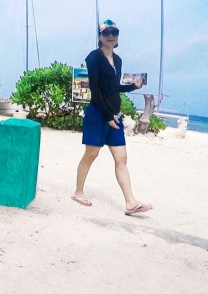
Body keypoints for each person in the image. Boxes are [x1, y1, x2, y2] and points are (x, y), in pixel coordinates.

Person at [72, 19, 153, 216]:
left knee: (122, 158)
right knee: (91, 154)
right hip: (98, 115)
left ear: (117, 36)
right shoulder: (94, 57)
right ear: (100, 36)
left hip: (113, 116)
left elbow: (113, 88)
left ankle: (131, 203)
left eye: (114, 32)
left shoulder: (117, 60)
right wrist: (108, 116)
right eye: (106, 32)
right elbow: (96, 89)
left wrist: (134, 86)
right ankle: (78, 192)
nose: (111, 35)